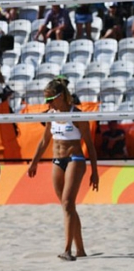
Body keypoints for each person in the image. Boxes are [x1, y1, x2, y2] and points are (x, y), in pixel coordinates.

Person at [27, 78, 99, 261]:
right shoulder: (50, 114)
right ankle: (80, 250)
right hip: (57, 160)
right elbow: (44, 141)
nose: (48, 103)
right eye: (46, 100)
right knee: (68, 207)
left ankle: (67, 250)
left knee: (67, 204)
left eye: (50, 99)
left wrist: (95, 172)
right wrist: (34, 162)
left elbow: (90, 145)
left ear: (62, 96)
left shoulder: (77, 115)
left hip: (75, 158)